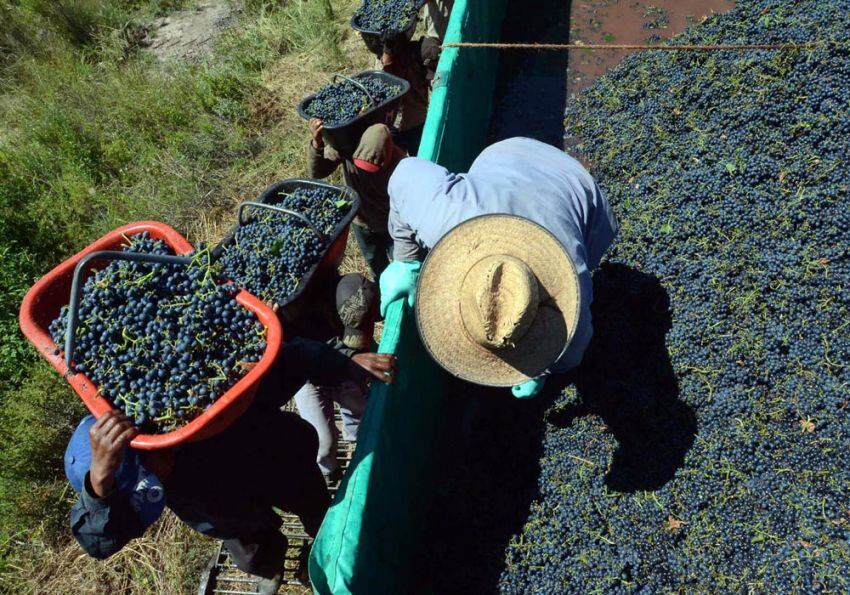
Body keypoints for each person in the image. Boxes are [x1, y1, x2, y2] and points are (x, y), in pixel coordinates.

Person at [66, 338, 396, 594]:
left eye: (150, 462)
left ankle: (323, 546)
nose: (159, 472)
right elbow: (98, 543)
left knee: (318, 513)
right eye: (150, 478)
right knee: (252, 553)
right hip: (228, 515)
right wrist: (99, 484)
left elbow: (290, 359)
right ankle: (271, 567)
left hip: (281, 464)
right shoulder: (122, 487)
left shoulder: (205, 399)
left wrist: (343, 360)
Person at [379, 137, 617, 398]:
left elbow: (572, 352)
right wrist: (407, 260)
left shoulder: (570, 283)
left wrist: (542, 368)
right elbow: (403, 174)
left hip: (578, 189)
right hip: (510, 154)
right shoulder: (446, 215)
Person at [289, 273, 379, 479]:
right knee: (323, 445)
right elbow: (302, 351)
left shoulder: (359, 297)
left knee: (361, 417)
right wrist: (347, 360)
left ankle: (359, 452)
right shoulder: (299, 310)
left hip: (346, 370)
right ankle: (330, 472)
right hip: (310, 376)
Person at [308, 122, 404, 279]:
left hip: (392, 223)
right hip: (362, 223)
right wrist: (317, 143)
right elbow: (317, 172)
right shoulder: (347, 146)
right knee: (376, 265)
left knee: (401, 266)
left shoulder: (400, 163)